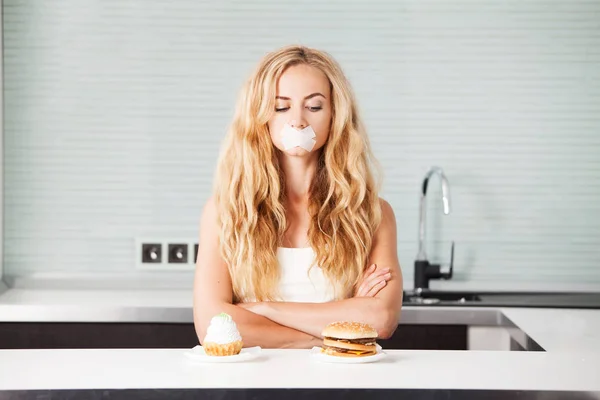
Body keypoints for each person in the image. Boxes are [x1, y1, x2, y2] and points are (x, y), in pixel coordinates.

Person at [193, 45, 403, 349]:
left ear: (335, 116)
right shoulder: (225, 212)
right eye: (281, 107)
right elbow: (214, 327)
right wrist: (335, 331)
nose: (298, 121)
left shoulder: (372, 214)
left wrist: (264, 309)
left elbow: (381, 318)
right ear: (261, 116)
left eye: (314, 107)